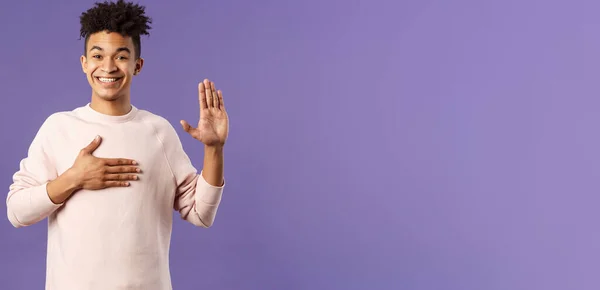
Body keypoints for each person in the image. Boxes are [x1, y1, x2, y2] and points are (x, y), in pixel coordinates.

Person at [5, 0, 228, 289]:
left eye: (121, 56)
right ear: (84, 63)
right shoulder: (58, 128)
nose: (108, 67)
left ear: (138, 65)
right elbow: (16, 212)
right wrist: (74, 178)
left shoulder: (158, 132)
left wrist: (214, 149)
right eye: (97, 55)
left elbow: (201, 213)